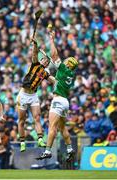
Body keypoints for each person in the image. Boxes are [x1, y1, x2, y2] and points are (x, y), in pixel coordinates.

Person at [36, 31, 78, 160]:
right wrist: (46, 75)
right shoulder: (70, 75)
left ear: (68, 64)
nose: (64, 61)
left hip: (58, 100)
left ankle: (48, 151)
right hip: (65, 102)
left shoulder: (64, 69)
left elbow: (54, 55)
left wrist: (52, 39)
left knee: (52, 127)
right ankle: (70, 149)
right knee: (62, 127)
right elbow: (55, 81)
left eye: (66, 61)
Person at [16, 38, 55, 152]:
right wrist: (36, 44)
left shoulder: (45, 73)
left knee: (37, 118)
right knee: (21, 120)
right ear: (41, 60)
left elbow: (54, 80)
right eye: (44, 60)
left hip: (33, 96)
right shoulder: (35, 63)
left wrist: (62, 78)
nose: (45, 62)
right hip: (23, 94)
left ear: (47, 64)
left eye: (47, 62)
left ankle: (40, 139)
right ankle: (22, 142)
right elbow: (34, 53)